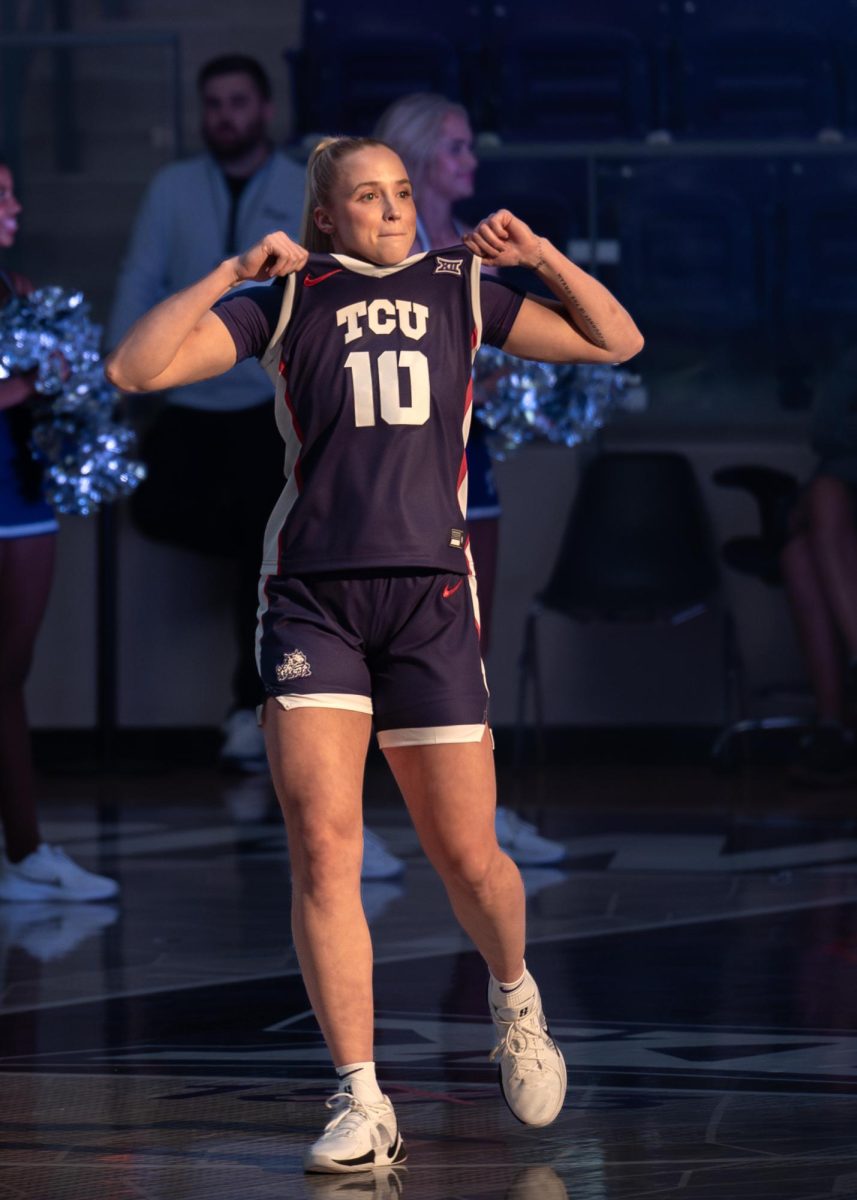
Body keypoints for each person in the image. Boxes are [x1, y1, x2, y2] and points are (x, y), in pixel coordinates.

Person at [105, 135, 643, 1173]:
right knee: (322, 845)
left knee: (467, 856)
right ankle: (359, 1096)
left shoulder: (460, 286)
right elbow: (135, 367)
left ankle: (514, 996)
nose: (394, 209)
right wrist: (228, 272)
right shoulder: (291, 295)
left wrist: (537, 255)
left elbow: (615, 341)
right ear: (326, 217)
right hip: (310, 599)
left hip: (430, 599)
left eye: (402, 192)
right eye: (368, 196)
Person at [374, 92, 567, 868]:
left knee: (468, 642)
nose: (470, 161)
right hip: (406, 476)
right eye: (454, 147)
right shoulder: (397, 247)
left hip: (468, 462)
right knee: (387, 647)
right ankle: (352, 818)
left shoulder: (466, 244)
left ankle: (477, 816)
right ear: (419, 158)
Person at [107, 54, 305, 774]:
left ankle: (247, 706)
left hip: (264, 400)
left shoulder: (297, 184)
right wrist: (121, 374)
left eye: (237, 103)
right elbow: (140, 277)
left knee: (268, 551)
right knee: (183, 520)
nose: (225, 115)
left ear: (264, 109)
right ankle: (243, 559)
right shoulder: (172, 187)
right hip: (187, 397)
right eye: (214, 104)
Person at [0, 157, 118, 903]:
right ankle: (24, 848)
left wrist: (70, 379)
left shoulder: (19, 293)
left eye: (14, 188)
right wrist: (31, 382)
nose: (14, 203)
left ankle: (24, 850)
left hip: (22, 499)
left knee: (9, 678)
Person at [781, 347, 857, 786]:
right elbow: (825, 433)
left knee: (801, 553)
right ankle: (833, 725)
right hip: (842, 492)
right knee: (801, 550)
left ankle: (833, 723)